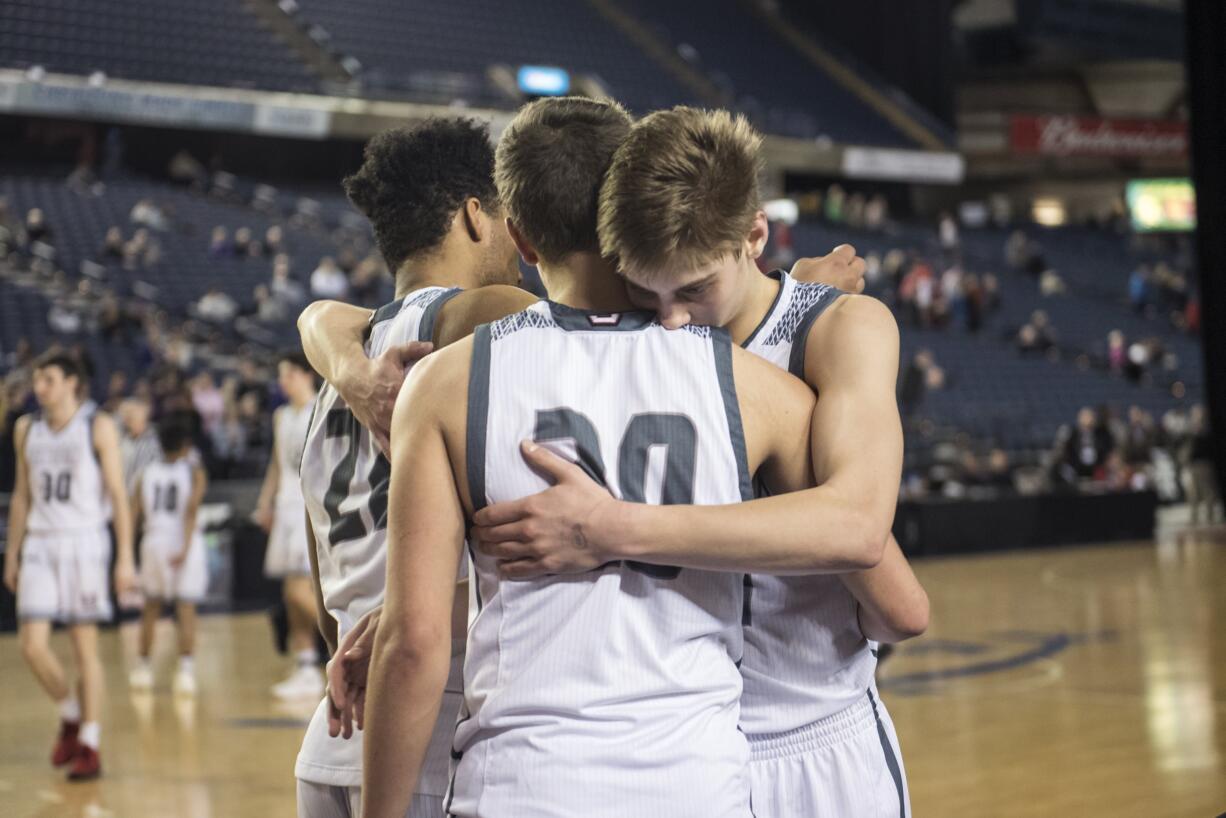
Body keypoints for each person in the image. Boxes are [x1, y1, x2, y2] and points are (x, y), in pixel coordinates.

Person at [311, 100, 918, 818]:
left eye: (690, 291)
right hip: (706, 757)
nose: (669, 318)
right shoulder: (743, 380)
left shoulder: (822, 336)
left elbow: (879, 569)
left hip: (774, 737)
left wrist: (611, 528)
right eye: (653, 290)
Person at [294, 119, 523, 818]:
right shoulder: (490, 322)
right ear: (475, 216)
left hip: (337, 733)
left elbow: (323, 585)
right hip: (439, 726)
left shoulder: (344, 368)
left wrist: (326, 337)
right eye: (512, 215)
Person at [2, 351, 135, 780]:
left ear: (72, 383)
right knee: (32, 646)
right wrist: (12, 552)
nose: (39, 387)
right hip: (40, 541)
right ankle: (70, 712)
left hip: (85, 542)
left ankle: (91, 743)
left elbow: (117, 495)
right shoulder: (26, 429)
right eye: (37, 379)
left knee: (84, 649)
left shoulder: (96, 425)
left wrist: (125, 558)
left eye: (48, 379)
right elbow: (22, 495)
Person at [252, 350, 321, 699]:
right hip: (285, 506)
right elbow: (277, 466)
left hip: (309, 508)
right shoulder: (281, 416)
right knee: (289, 594)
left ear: (307, 374)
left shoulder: (321, 407)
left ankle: (345, 642)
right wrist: (265, 503)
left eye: (289, 374)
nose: (283, 381)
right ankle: (307, 665)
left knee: (300, 590)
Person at [128, 412, 208, 695]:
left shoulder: (144, 474)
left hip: (153, 542)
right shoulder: (193, 472)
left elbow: (133, 516)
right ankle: (185, 672)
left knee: (150, 608)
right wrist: (185, 548)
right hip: (181, 543)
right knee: (185, 609)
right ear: (186, 444)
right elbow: (191, 511)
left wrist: (127, 554)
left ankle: (143, 668)